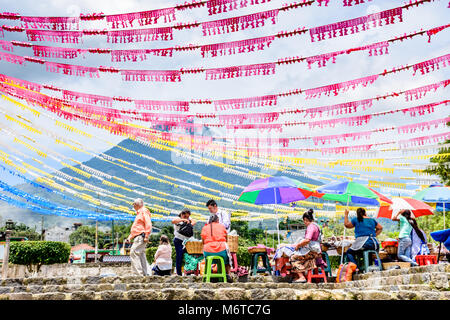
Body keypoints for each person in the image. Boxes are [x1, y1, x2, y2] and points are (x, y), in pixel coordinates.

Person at [289, 209, 326, 283]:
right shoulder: (316, 226)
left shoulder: (310, 227)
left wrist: (298, 245)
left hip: (312, 251)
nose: (304, 223)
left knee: (292, 257)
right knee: (299, 257)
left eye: (304, 221)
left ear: (305, 219)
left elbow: (307, 240)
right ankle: (298, 276)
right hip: (316, 250)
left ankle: (301, 277)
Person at [125, 198, 152, 276]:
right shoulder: (139, 213)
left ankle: (138, 274)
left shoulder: (144, 211)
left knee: (134, 252)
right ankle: (145, 273)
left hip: (141, 236)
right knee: (141, 255)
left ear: (136, 204)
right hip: (138, 236)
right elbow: (136, 228)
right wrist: (129, 237)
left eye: (133, 204)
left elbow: (148, 223)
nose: (133, 206)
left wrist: (147, 235)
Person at [171, 209, 196, 276]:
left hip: (187, 241)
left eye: (188, 216)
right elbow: (173, 221)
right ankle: (179, 273)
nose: (187, 218)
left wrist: (190, 223)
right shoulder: (178, 219)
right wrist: (183, 220)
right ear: (182, 214)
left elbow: (194, 221)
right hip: (178, 240)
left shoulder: (189, 219)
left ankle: (188, 272)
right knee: (179, 256)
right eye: (185, 216)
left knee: (188, 256)